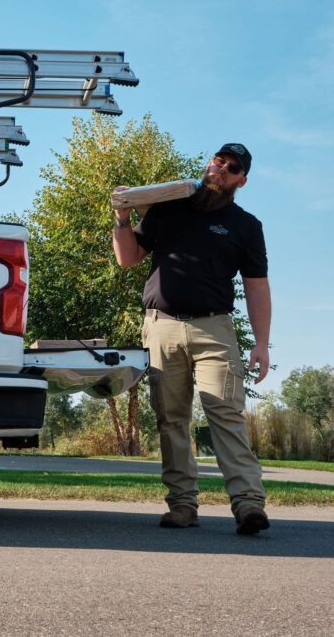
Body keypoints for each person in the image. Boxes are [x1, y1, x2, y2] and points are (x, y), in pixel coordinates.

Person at [112, 143, 272, 536]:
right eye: (219, 160)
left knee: (226, 413)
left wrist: (262, 344)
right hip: (161, 326)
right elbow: (128, 258)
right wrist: (122, 217)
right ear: (209, 162)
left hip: (214, 329)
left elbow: (256, 287)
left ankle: (249, 504)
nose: (222, 168)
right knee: (171, 419)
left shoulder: (246, 225)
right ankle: (182, 505)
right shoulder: (168, 206)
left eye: (232, 167)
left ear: (241, 180)